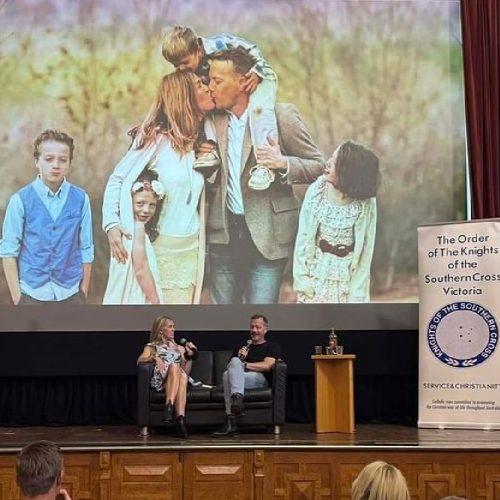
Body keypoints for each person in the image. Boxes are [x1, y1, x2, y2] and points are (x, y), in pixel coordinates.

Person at [204, 47, 324, 304]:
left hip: (270, 235)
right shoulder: (210, 119)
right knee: (221, 319)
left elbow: (318, 166)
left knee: (260, 319)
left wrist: (283, 163)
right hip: (222, 234)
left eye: (217, 80)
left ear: (243, 82)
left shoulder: (281, 116)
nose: (210, 87)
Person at [102, 71, 215, 304]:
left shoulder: (198, 142)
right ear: (184, 97)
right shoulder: (155, 139)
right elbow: (118, 178)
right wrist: (111, 224)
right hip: (158, 252)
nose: (206, 87)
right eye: (198, 85)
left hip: (190, 252)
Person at [162, 25, 279, 191]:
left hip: (257, 76)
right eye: (176, 65)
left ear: (198, 51)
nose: (181, 69)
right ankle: (212, 149)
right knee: (210, 107)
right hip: (230, 85)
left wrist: (257, 71)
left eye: (185, 63)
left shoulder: (218, 44)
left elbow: (251, 49)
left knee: (259, 111)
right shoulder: (194, 70)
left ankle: (266, 163)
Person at [0, 129, 94, 305]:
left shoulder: (81, 199)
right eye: (48, 159)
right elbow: (8, 251)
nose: (56, 165)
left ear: (69, 163)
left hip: (71, 293)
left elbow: (86, 247)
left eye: (63, 160)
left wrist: (83, 292)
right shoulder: (19, 200)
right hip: (31, 294)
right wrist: (18, 298)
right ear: (37, 161)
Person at [294, 140, 380, 303]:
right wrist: (302, 281)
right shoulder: (316, 191)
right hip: (316, 273)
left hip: (348, 278)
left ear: (348, 172)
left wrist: (356, 293)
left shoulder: (366, 202)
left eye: (334, 162)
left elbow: (366, 249)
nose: (327, 163)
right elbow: (303, 238)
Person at [103, 168, 165, 304]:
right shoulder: (137, 228)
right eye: (140, 203)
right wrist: (156, 301)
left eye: (152, 205)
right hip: (136, 294)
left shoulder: (126, 228)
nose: (146, 210)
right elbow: (141, 270)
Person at [213, 314, 281, 437]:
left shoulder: (272, 346)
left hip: (259, 379)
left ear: (265, 329)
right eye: (252, 327)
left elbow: (267, 366)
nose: (254, 330)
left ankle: (231, 419)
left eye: (258, 327)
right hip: (240, 379)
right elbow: (230, 367)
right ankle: (236, 402)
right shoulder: (242, 347)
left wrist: (243, 364)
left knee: (230, 372)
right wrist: (240, 358)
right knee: (227, 374)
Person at [137, 315, 198, 438]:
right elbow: (140, 360)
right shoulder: (152, 346)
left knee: (182, 376)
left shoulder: (180, 348)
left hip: (178, 379)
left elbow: (185, 372)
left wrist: (189, 356)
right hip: (161, 379)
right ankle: (170, 408)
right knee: (175, 366)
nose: (173, 329)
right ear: (161, 330)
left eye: (173, 327)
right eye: (170, 327)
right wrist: (154, 357)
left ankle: (178, 418)